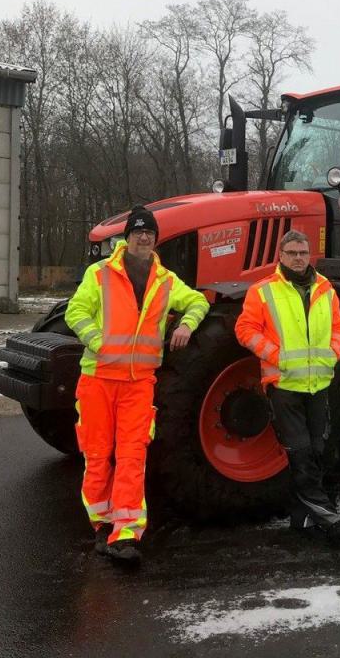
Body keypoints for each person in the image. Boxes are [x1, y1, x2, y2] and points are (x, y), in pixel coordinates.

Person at [65, 205, 210, 565]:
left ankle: (125, 532)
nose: (144, 238)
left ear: (155, 239)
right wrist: (100, 342)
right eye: (138, 232)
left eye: (149, 233)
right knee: (98, 455)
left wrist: (187, 324)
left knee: (132, 456)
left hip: (139, 383)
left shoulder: (166, 279)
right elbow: (76, 312)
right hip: (98, 379)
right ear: (127, 237)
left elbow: (198, 300)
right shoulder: (99, 274)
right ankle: (101, 523)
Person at [235, 230, 340, 541]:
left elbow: (338, 326)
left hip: (318, 383)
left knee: (317, 450)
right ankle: (328, 516)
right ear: (281, 257)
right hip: (284, 383)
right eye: (292, 253)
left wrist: (332, 355)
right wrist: (277, 356)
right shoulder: (263, 291)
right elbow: (244, 329)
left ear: (309, 255)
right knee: (299, 452)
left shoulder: (326, 289)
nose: (298, 258)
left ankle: (301, 520)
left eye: (302, 253)